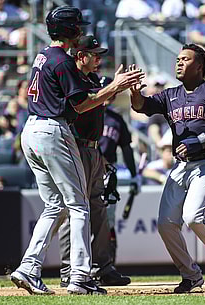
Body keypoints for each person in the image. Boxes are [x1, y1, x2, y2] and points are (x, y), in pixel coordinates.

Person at [10, 6, 144, 296]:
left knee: (56, 206)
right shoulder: (62, 60)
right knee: (79, 204)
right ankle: (80, 276)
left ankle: (28, 267)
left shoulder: (43, 54)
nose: (80, 31)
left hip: (31, 129)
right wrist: (116, 87)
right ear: (69, 30)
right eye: (77, 27)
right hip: (52, 129)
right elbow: (81, 105)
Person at [129, 43, 205, 293]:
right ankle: (190, 275)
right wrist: (135, 92)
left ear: (199, 66)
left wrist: (201, 140)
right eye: (178, 59)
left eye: (185, 59)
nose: (178, 62)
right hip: (181, 166)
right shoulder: (170, 95)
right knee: (166, 223)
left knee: (193, 216)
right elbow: (142, 107)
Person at [58, 35, 131, 288]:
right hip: (74, 148)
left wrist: (119, 85)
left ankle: (104, 266)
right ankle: (69, 269)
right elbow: (85, 102)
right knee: (75, 210)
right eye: (94, 54)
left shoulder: (94, 79)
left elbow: (110, 94)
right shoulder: (72, 78)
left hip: (93, 150)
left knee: (98, 209)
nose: (99, 58)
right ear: (81, 56)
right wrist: (111, 87)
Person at [97, 76, 140, 264]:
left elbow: (127, 148)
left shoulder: (116, 119)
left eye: (112, 91)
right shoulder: (86, 113)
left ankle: (108, 264)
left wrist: (134, 174)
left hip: (108, 174)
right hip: (87, 170)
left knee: (109, 220)